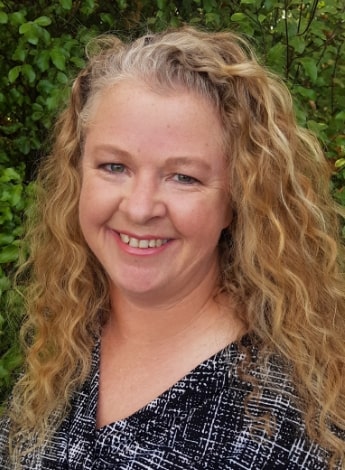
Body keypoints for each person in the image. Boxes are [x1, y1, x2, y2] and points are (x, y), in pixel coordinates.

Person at [1, 26, 345, 469]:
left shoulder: (289, 424)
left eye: (184, 176)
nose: (141, 208)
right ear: (77, 176)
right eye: (113, 166)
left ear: (236, 200)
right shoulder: (64, 351)